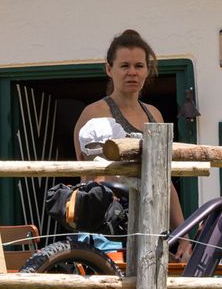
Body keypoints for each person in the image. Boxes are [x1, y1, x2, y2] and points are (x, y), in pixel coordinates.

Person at [58, 29, 187, 262]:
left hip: (150, 225)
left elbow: (164, 181)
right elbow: (92, 176)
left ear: (147, 70)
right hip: (106, 226)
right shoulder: (94, 114)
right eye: (124, 65)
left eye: (138, 66)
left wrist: (183, 232)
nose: (132, 73)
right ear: (109, 69)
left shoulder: (154, 116)